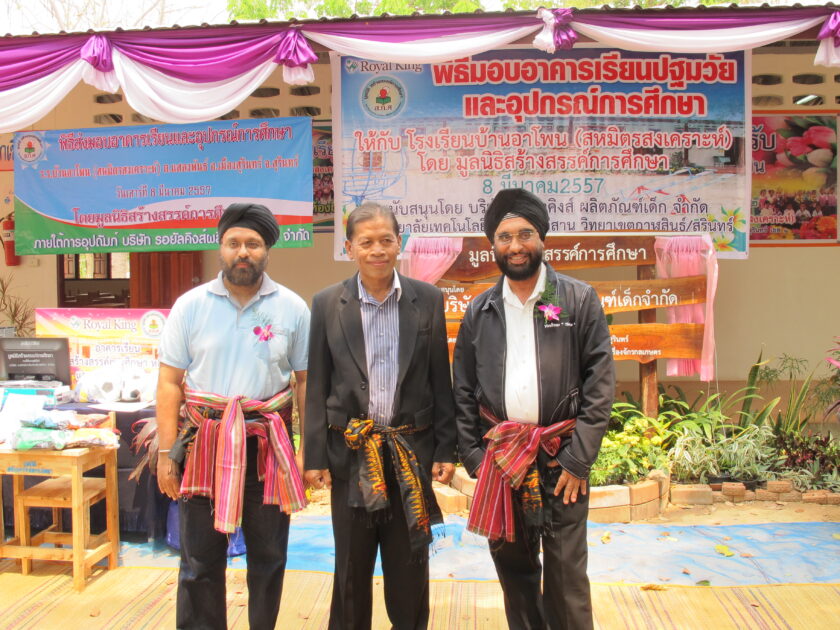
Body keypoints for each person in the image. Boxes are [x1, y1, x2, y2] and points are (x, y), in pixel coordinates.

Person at [453, 188, 615, 630]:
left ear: (542, 239)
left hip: (561, 458)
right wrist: (474, 457)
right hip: (503, 460)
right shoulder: (480, 310)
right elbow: (462, 388)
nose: (516, 246)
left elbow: (600, 383)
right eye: (505, 237)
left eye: (525, 234)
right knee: (515, 571)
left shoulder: (576, 300)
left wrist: (579, 459)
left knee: (566, 576)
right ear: (493, 245)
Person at [156, 202, 310, 630]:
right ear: (220, 247)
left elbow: (306, 382)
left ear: (267, 250)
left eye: (253, 244)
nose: (243, 252)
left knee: (269, 556)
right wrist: (166, 453)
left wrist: (306, 452)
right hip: (203, 442)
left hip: (267, 446)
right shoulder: (190, 306)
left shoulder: (293, 308)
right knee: (199, 561)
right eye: (234, 243)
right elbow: (169, 383)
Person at [304, 202, 456, 630]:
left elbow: (439, 379)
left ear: (399, 243)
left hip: (410, 453)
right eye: (366, 242)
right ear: (349, 247)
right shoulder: (327, 303)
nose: (377, 250)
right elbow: (317, 385)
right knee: (351, 571)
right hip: (350, 455)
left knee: (409, 567)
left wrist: (446, 448)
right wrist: (314, 456)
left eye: (386, 240)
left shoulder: (427, 299)